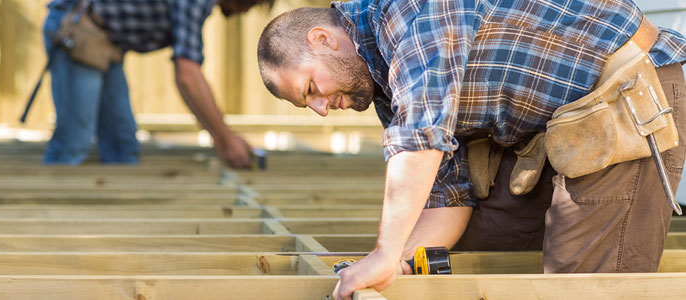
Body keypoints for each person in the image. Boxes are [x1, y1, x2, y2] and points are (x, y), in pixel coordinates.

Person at [256, 1, 686, 299]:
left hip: (623, 99)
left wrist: (385, 252)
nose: (320, 109)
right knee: (483, 250)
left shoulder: (407, 11)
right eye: (306, 104)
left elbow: (421, 133)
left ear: (322, 39)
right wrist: (398, 264)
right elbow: (449, 196)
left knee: (579, 284)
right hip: (556, 134)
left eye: (311, 88)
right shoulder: (385, 84)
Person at [42, 0, 273, 167]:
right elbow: (187, 76)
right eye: (249, 5)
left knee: (122, 149)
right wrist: (225, 138)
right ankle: (48, 224)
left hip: (106, 42)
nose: (245, 11)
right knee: (74, 143)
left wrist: (223, 137)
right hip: (77, 29)